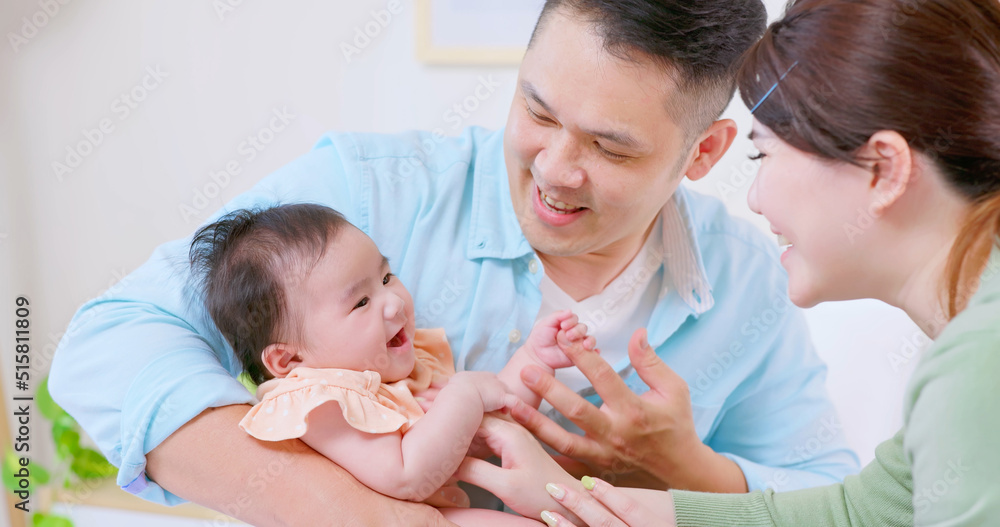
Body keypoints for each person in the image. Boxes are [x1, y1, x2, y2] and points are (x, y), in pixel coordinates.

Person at [48, 1, 859, 524]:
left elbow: (845, 500)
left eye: (610, 147)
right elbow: (108, 343)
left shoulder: (748, 280)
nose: (552, 169)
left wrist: (690, 470)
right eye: (537, 110)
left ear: (704, 152)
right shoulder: (363, 194)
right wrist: (349, 509)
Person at [460, 0, 1000, 524]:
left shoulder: (978, 361)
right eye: (538, 113)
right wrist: (580, 501)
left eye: (763, 153)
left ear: (883, 171)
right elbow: (863, 512)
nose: (756, 198)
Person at [189, 203, 597, 525]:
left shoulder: (394, 372)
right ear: (289, 358)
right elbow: (407, 475)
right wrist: (466, 393)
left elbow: (484, 427)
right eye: (361, 302)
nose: (394, 302)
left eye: (386, 278)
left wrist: (533, 361)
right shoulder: (319, 401)